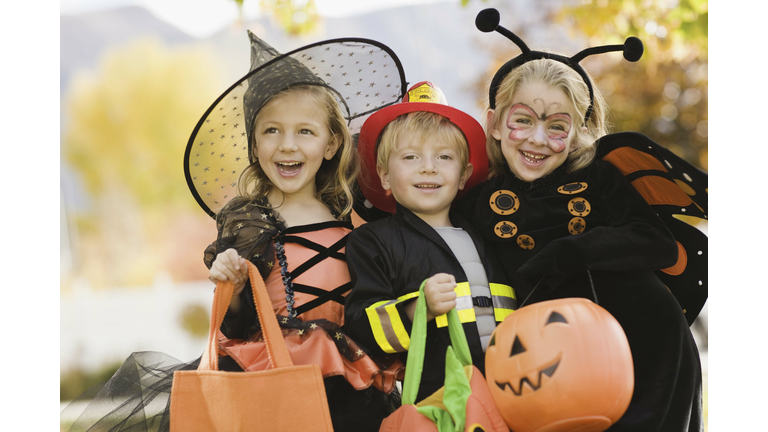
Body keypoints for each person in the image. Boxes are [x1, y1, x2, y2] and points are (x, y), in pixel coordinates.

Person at [63, 31, 409, 432]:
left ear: (332, 143)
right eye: (272, 131)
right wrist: (237, 286)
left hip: (354, 382)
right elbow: (235, 325)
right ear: (254, 145)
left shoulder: (353, 213)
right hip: (276, 382)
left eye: (305, 132)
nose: (287, 145)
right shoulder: (251, 220)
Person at [455, 9, 707, 432]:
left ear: (575, 133)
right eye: (523, 121)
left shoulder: (597, 177)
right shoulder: (476, 202)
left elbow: (656, 242)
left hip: (646, 346)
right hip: (546, 361)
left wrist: (568, 252)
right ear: (495, 124)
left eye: (557, 126)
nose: (538, 139)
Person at [344, 81, 519, 404]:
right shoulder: (372, 242)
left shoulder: (491, 233)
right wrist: (416, 309)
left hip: (513, 391)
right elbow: (359, 329)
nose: (428, 167)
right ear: (383, 175)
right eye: (410, 156)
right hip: (438, 403)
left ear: (464, 174)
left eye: (444, 156)